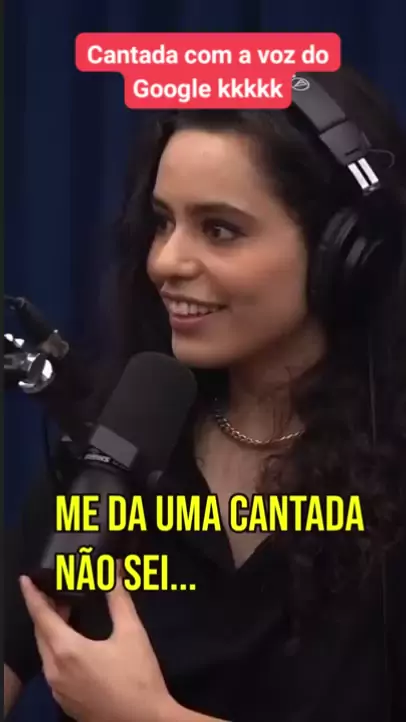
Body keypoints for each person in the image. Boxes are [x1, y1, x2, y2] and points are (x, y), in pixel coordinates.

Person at [4, 65, 406, 722]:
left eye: (220, 229)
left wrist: (148, 716)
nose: (165, 261)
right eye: (163, 222)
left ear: (345, 254)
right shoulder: (111, 449)